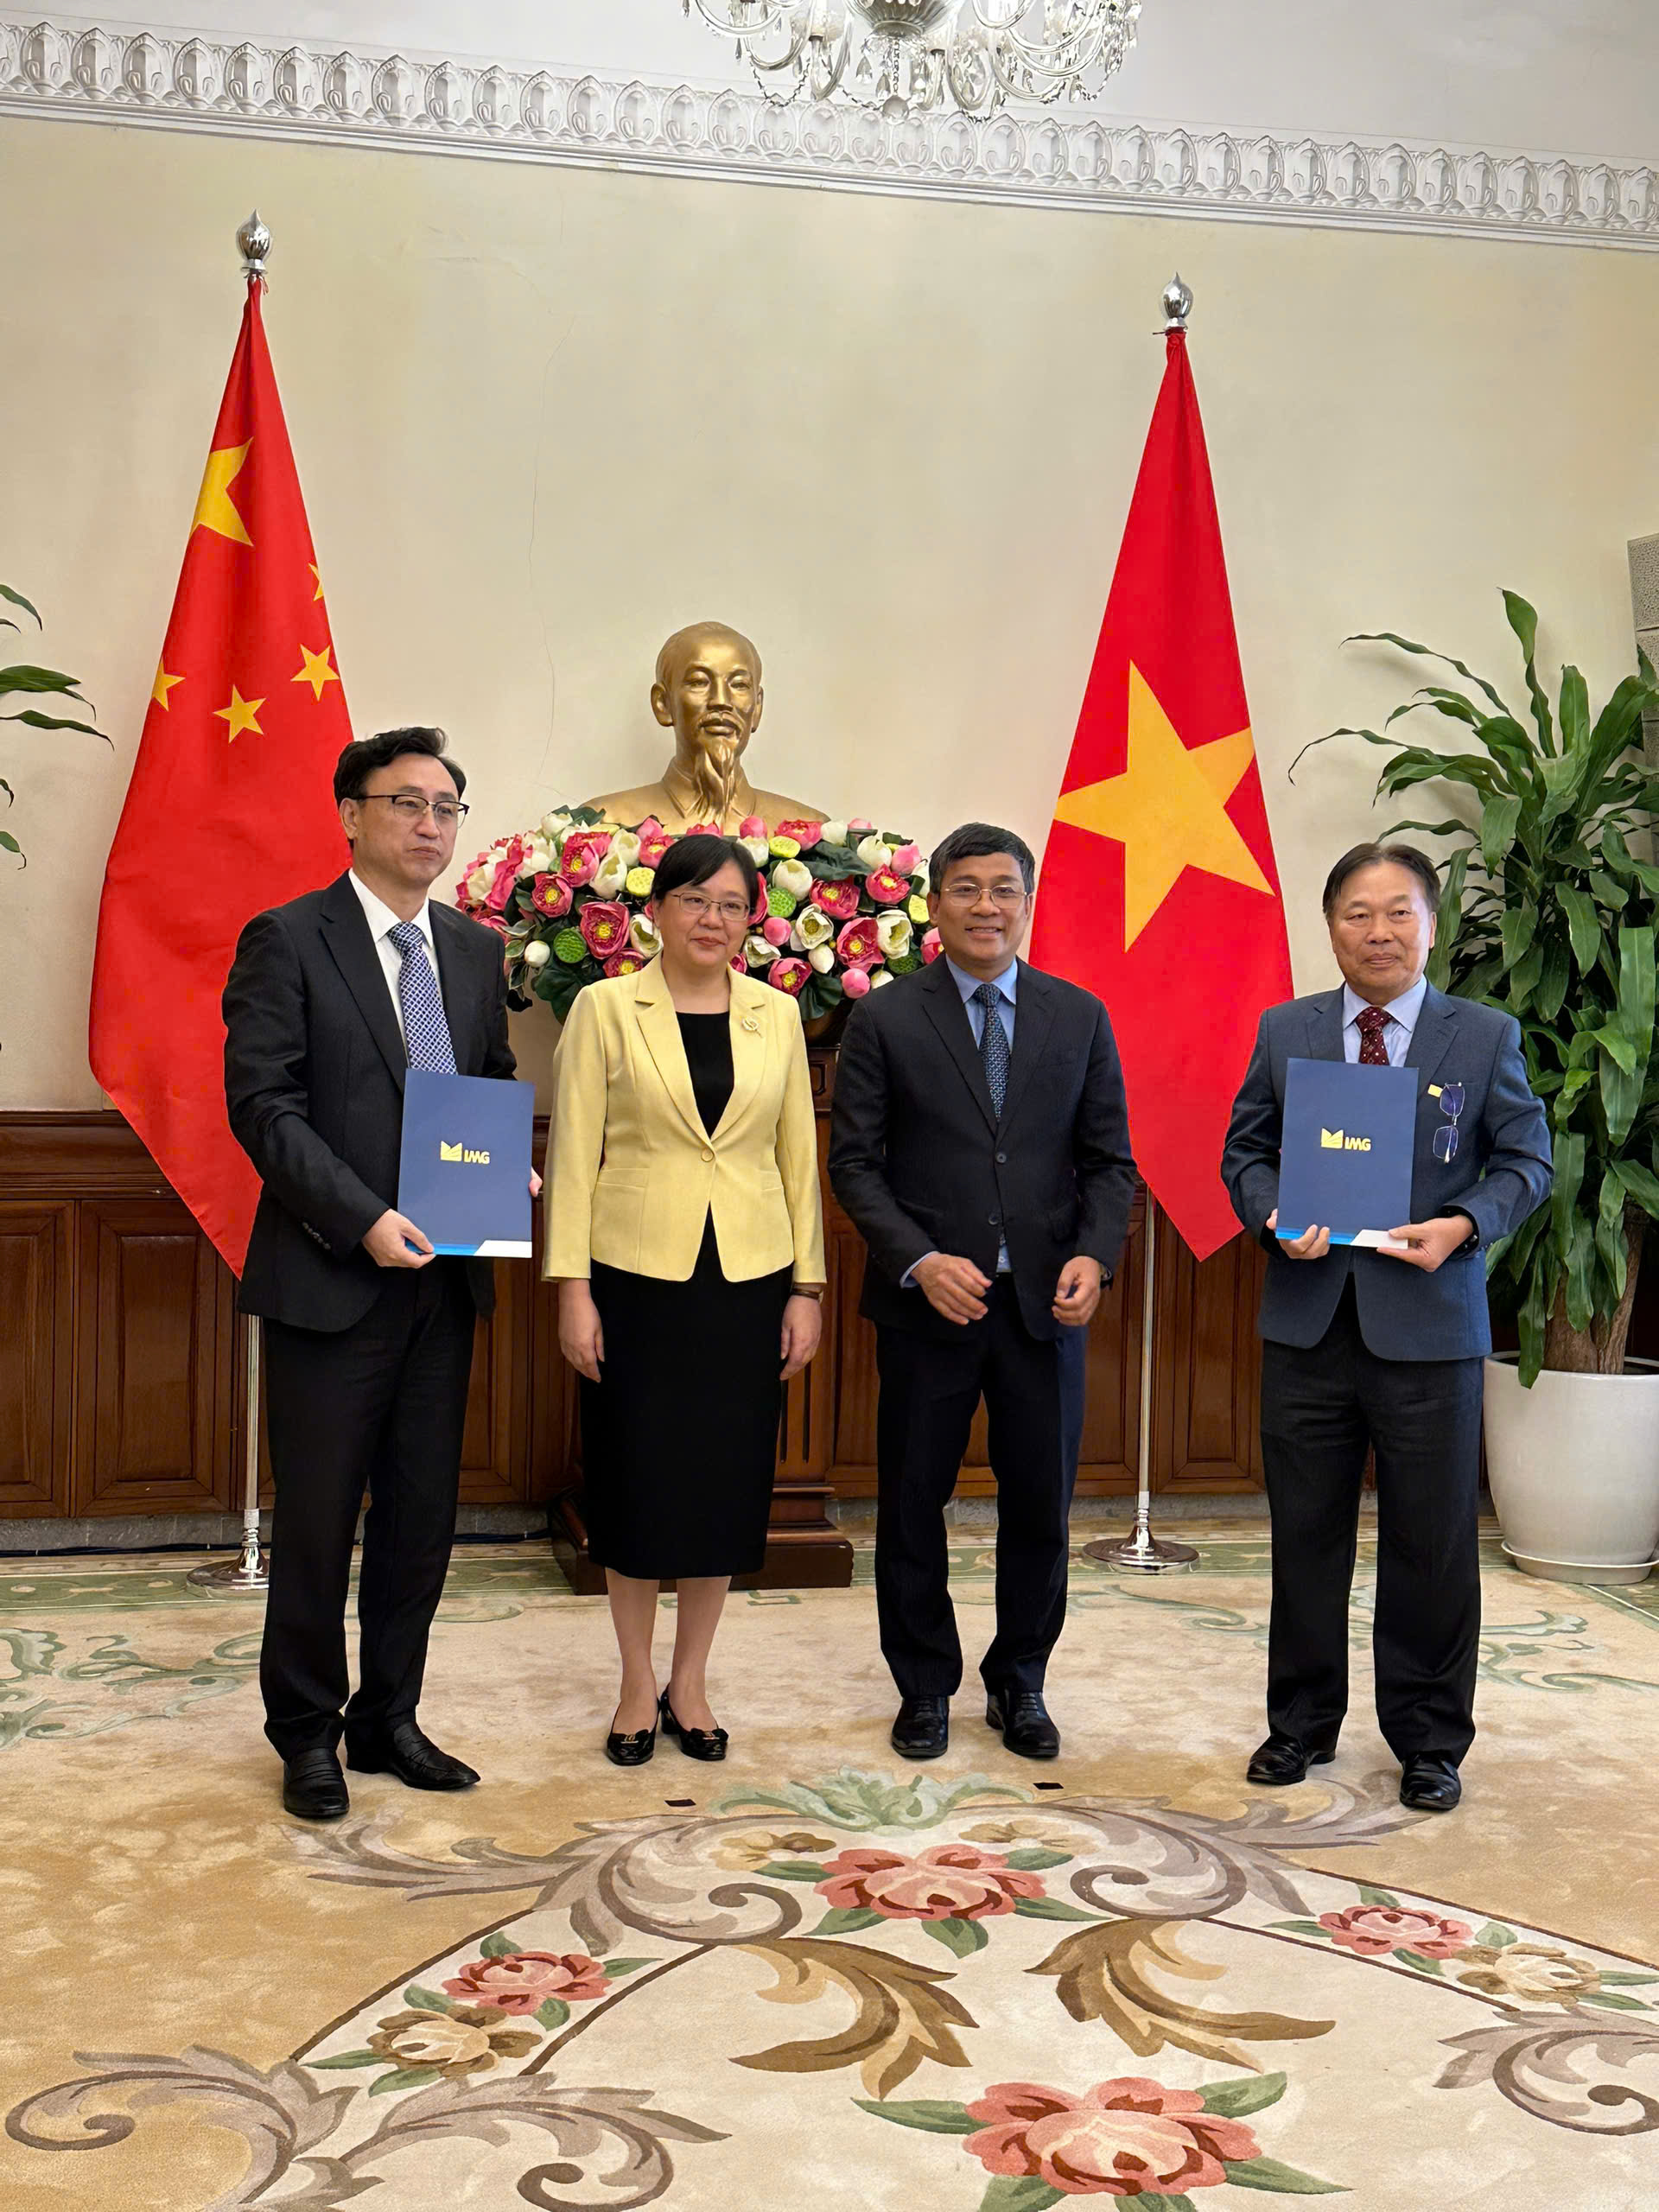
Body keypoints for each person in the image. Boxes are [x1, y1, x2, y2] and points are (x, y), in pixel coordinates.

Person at [223, 727, 531, 1822]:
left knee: (419, 1516)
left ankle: (388, 1717)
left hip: (444, 1284)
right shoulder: (287, 938)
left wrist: (508, 1170)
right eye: (407, 803)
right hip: (331, 1276)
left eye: (447, 808)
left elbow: (485, 1082)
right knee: (317, 1521)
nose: (430, 825)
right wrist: (362, 1220)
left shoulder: (474, 951)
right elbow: (265, 1106)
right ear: (351, 814)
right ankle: (306, 1732)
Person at [1222, 842, 1551, 1813]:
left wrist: (1464, 1225)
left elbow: (1526, 1163)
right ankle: (1300, 1724)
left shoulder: (1482, 1035)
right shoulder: (1287, 1030)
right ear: (1330, 927)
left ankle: (1430, 1741)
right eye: (1357, 914)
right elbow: (1245, 1153)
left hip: (1430, 1330)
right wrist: (1273, 1215)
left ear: (1431, 926)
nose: (1379, 932)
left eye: (1398, 911)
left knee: (1432, 1545)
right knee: (1305, 1538)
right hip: (1310, 1321)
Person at [828, 822, 1136, 1763]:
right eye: (966, 888)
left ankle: (1021, 1680)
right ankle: (924, 1686)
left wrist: (1095, 1257)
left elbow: (1110, 1163)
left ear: (1028, 904)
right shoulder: (885, 1017)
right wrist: (920, 1260)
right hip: (929, 1306)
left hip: (1046, 1308)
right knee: (912, 1501)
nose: (986, 906)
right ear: (935, 903)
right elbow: (855, 1164)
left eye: (1004, 889)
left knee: (1040, 1504)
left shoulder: (1079, 1015)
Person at [543, 833, 826, 1764]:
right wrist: (572, 1288)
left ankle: (691, 1680)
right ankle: (635, 1684)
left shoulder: (776, 1014)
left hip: (748, 1281)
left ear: (752, 920)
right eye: (696, 900)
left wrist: (807, 1286)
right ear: (657, 909)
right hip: (634, 1280)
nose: (714, 919)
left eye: (733, 905)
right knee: (635, 1485)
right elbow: (574, 1155)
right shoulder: (605, 1008)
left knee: (721, 1489)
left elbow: (798, 1160)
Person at [584, 620, 825, 834]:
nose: (721, 700)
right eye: (699, 682)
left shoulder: (813, 834)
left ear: (757, 707)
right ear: (663, 703)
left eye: (739, 684)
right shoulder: (602, 826)